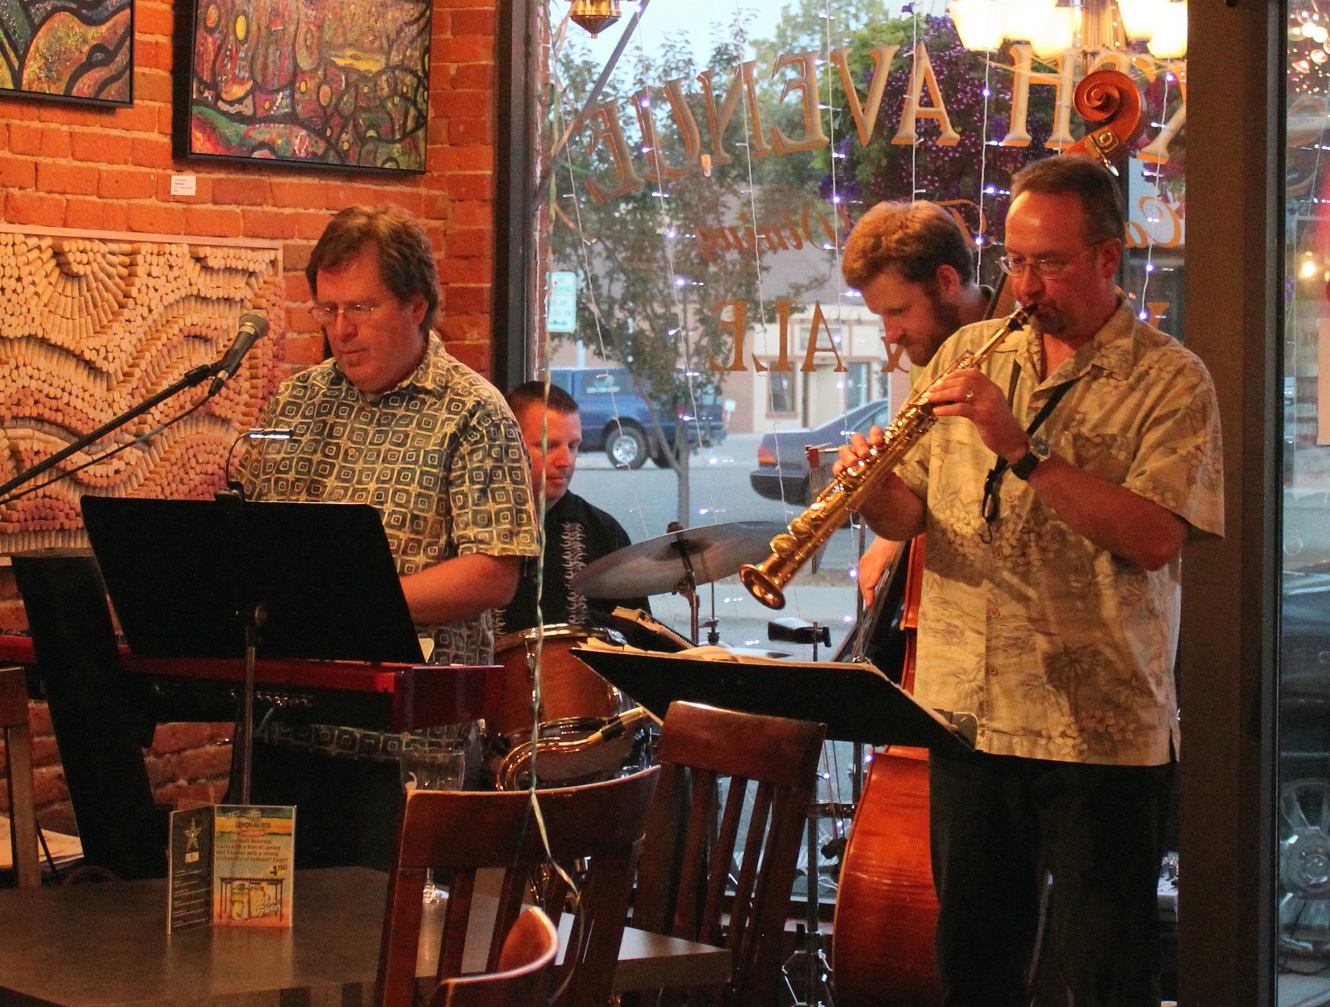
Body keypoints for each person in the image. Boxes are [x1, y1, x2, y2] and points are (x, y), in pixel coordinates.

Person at [840, 157, 1224, 1006]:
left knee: (1104, 977)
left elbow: (1156, 537)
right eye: (1014, 260)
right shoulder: (968, 351)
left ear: (1107, 257)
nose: (1025, 284)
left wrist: (1022, 451)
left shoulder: (1171, 379)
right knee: (973, 973)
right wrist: (871, 491)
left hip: (1097, 731)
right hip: (967, 718)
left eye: (1048, 262)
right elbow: (916, 515)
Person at [237, 204, 539, 867]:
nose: (340, 330)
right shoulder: (296, 403)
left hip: (407, 751)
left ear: (416, 305)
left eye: (361, 308)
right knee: (257, 926)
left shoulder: (474, 412)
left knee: (386, 929)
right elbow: (250, 536)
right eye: (327, 309)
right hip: (283, 729)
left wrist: (360, 603)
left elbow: (494, 570)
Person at [840, 200, 993, 605]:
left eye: (898, 311)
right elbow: (918, 499)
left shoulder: (1025, 347)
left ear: (946, 280)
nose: (890, 335)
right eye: (881, 316)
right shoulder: (931, 356)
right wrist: (877, 494)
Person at [497, 381, 649, 634]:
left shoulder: (603, 532)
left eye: (573, 446)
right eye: (549, 446)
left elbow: (638, 638)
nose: (566, 461)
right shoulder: (470, 527)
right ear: (508, 445)